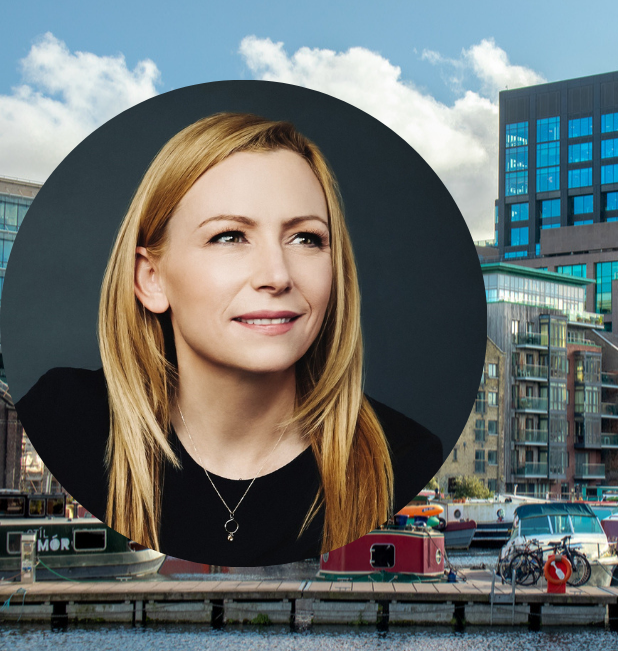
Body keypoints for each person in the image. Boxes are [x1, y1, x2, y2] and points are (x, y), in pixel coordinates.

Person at [16, 113, 442, 565]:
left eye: (305, 238)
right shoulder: (61, 420)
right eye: (230, 236)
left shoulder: (403, 458)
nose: (277, 276)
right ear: (151, 278)